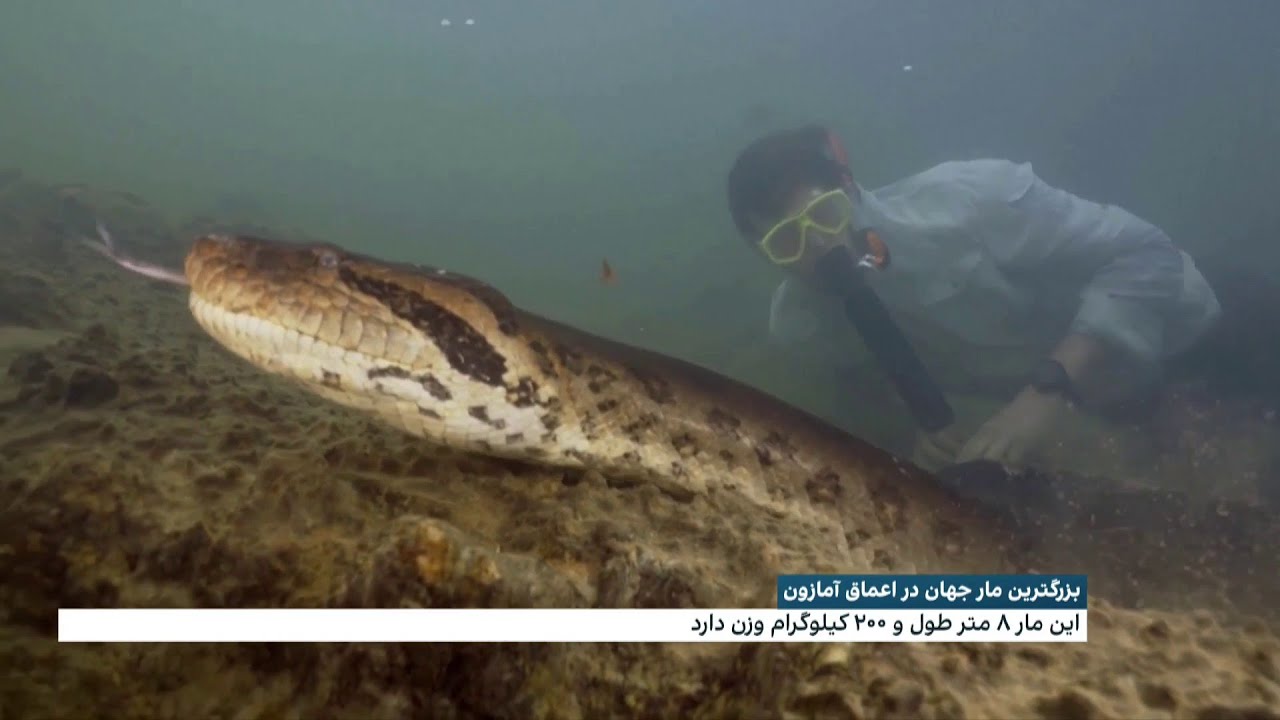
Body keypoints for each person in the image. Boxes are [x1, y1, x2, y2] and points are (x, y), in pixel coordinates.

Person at [725, 124, 1222, 473]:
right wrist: (914, 441)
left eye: (827, 215)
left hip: (1191, 337)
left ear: (849, 189)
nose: (821, 247)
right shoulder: (801, 328)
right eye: (787, 242)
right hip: (1108, 405)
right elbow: (863, 390)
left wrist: (1048, 391)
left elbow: (1147, 254)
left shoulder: (972, 200)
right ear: (762, 256)